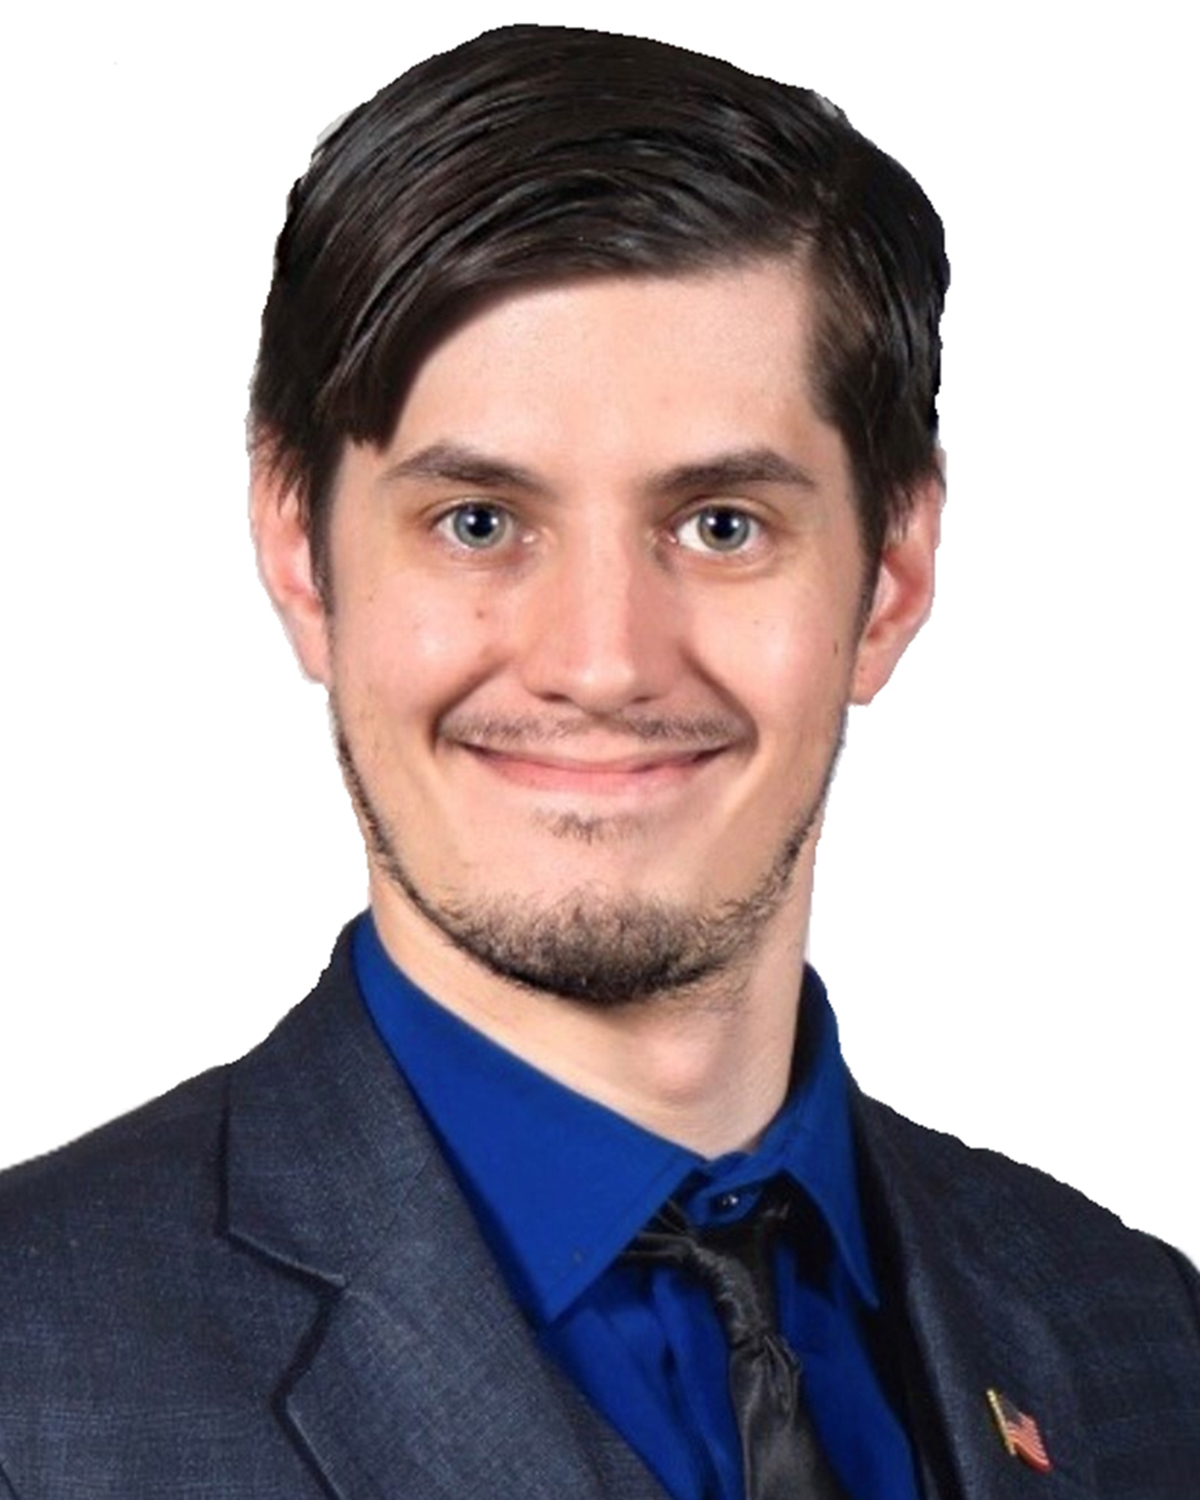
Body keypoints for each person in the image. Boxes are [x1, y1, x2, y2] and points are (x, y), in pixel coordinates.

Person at [0, 23, 1195, 1500]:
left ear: (891, 573)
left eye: (721, 525)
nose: (604, 660)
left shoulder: (1147, 1339)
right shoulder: (30, 1376)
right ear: (300, 552)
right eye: (479, 523)